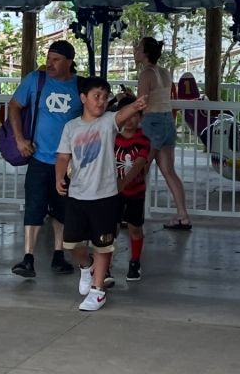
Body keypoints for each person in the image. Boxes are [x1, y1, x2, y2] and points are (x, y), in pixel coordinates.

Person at [55, 77, 147, 311]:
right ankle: (87, 267)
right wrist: (59, 177)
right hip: (77, 195)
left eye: (105, 97)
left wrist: (135, 105)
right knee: (71, 243)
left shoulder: (108, 122)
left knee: (102, 245)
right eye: (97, 96)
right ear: (83, 98)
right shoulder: (71, 127)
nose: (102, 101)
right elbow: (64, 157)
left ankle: (97, 291)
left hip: (105, 195)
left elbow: (121, 114)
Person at [8, 40, 82, 279]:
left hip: (68, 162)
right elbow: (14, 106)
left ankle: (58, 255)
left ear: (69, 62)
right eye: (49, 58)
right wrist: (20, 140)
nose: (50, 63)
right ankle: (28, 258)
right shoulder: (36, 80)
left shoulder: (80, 86)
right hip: (39, 157)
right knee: (34, 207)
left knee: (62, 210)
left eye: (56, 60)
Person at [135, 37, 192, 229]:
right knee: (169, 171)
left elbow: (141, 102)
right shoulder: (165, 72)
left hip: (152, 122)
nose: (136, 51)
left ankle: (132, 215)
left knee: (139, 170)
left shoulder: (146, 74)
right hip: (168, 121)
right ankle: (183, 216)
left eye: (139, 49)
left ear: (145, 53)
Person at [112, 93, 150, 283]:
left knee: (135, 227)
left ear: (140, 117)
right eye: (126, 115)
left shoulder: (143, 139)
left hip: (135, 192)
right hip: (114, 193)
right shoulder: (112, 138)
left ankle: (134, 261)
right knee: (113, 228)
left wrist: (123, 183)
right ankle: (107, 264)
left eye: (134, 115)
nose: (129, 120)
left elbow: (139, 164)